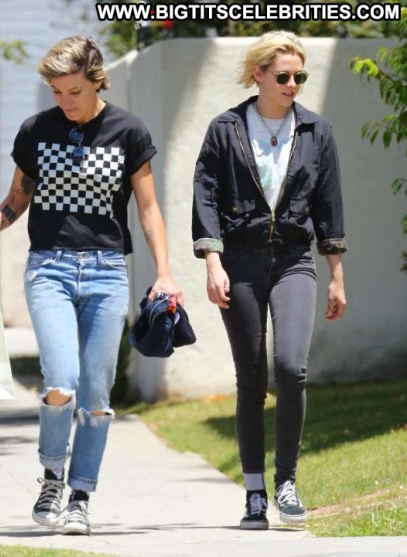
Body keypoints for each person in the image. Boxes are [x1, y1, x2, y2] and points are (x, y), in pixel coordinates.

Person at [0, 35, 183, 536]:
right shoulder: (36, 131)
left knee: (97, 394)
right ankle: (51, 476)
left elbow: (148, 209)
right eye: (57, 92)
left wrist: (165, 272)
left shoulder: (128, 131)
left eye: (74, 91)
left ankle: (81, 496)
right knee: (61, 380)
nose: (65, 101)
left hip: (107, 270)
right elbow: (16, 199)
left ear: (97, 80)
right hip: (49, 269)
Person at [192, 31, 347, 530]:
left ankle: (287, 483)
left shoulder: (316, 131)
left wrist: (336, 276)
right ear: (258, 74)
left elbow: (329, 205)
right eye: (283, 76)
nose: (292, 84)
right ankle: (255, 492)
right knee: (252, 379)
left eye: (300, 76)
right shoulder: (226, 129)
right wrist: (213, 262)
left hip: (294, 260)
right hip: (239, 261)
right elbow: (206, 196)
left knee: (291, 369)